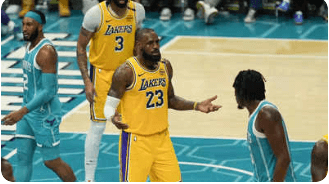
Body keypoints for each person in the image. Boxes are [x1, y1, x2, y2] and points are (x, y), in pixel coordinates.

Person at [104, 28, 221, 182]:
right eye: (150, 43)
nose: (155, 46)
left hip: (162, 140)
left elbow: (170, 99)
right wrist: (112, 117)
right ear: (139, 46)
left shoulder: (165, 67)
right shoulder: (126, 72)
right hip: (136, 142)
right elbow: (108, 106)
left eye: (157, 42)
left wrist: (196, 105)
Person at [1, 10, 76, 182]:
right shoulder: (29, 45)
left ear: (40, 26)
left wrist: (22, 111)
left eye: (30, 24)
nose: (25, 28)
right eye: (23, 24)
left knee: (51, 161)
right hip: (29, 112)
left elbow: (49, 91)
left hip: (45, 114)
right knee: (22, 157)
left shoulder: (46, 52)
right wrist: (25, 111)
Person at [76, 0, 145, 182]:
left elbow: (138, 41)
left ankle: (132, 175)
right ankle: (89, 179)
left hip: (129, 74)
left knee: (133, 126)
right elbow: (81, 47)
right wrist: (87, 81)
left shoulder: (137, 10)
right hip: (102, 75)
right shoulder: (95, 14)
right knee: (98, 126)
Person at [232, 69, 296, 182]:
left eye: (236, 90)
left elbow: (284, 158)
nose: (234, 95)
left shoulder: (266, 115)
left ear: (243, 93)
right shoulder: (257, 114)